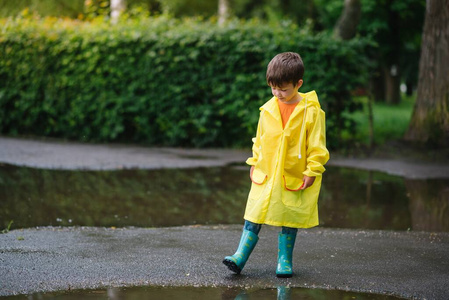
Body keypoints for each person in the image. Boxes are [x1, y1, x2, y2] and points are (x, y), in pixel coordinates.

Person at [223, 52, 329, 278]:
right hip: (266, 173)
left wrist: (312, 170)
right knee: (254, 213)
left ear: (298, 84)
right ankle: (239, 256)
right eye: (273, 88)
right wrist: (254, 161)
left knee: (289, 216)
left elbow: (317, 146)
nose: (277, 94)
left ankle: (284, 261)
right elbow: (259, 139)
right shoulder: (267, 109)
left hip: (293, 174)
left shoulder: (312, 112)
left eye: (283, 89)